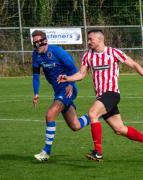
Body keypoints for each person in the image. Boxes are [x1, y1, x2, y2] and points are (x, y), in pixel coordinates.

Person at [57, 29, 143, 162]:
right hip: (101, 97)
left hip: (112, 93)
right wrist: (68, 78)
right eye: (88, 39)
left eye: (91, 39)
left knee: (92, 113)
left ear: (100, 39)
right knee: (119, 129)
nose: (88, 41)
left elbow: (134, 64)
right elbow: (81, 74)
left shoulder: (113, 52)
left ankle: (98, 152)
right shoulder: (87, 55)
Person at [31, 30, 90, 162]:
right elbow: (35, 76)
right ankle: (95, 115)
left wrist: (70, 83)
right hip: (58, 91)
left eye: (38, 42)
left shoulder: (57, 52)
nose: (36, 45)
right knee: (75, 125)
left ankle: (46, 151)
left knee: (50, 114)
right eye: (34, 43)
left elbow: (74, 69)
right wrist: (36, 93)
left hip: (68, 88)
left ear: (45, 41)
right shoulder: (36, 55)